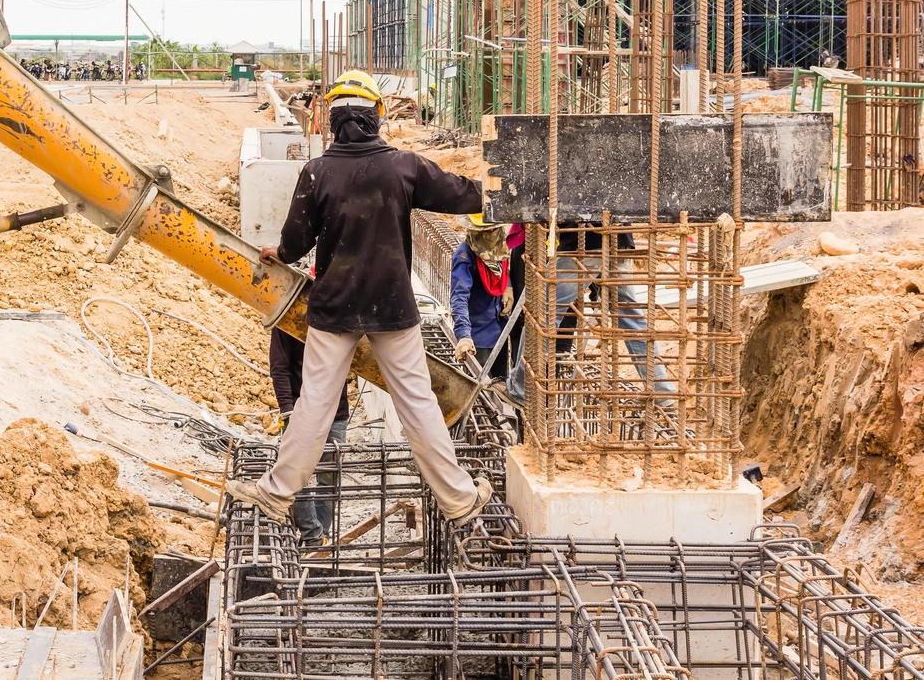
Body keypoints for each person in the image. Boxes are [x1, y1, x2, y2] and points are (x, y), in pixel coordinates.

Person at [227, 70, 493, 528]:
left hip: (334, 308)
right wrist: (507, 191)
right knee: (418, 405)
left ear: (333, 119)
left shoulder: (318, 172)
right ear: (378, 116)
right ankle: (459, 500)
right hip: (393, 307)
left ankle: (276, 494)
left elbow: (295, 240)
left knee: (315, 402)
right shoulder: (404, 167)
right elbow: (461, 194)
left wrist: (279, 252)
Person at [507, 225, 676, 405]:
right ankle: (660, 391)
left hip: (582, 246)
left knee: (542, 315)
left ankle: (522, 389)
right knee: (632, 319)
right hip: (620, 245)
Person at [268, 322, 349, 546]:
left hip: (336, 411)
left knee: (330, 474)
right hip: (301, 410)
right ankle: (313, 536)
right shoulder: (290, 319)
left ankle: (321, 535)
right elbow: (279, 367)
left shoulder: (341, 311)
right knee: (295, 473)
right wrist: (287, 410)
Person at [450, 214, 516, 380]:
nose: (491, 234)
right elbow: (459, 297)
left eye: (494, 229)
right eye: (486, 231)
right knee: (481, 395)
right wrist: (464, 335)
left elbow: (502, 265)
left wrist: (507, 285)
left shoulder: (499, 247)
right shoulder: (465, 256)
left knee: (500, 387)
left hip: (499, 332)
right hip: (478, 339)